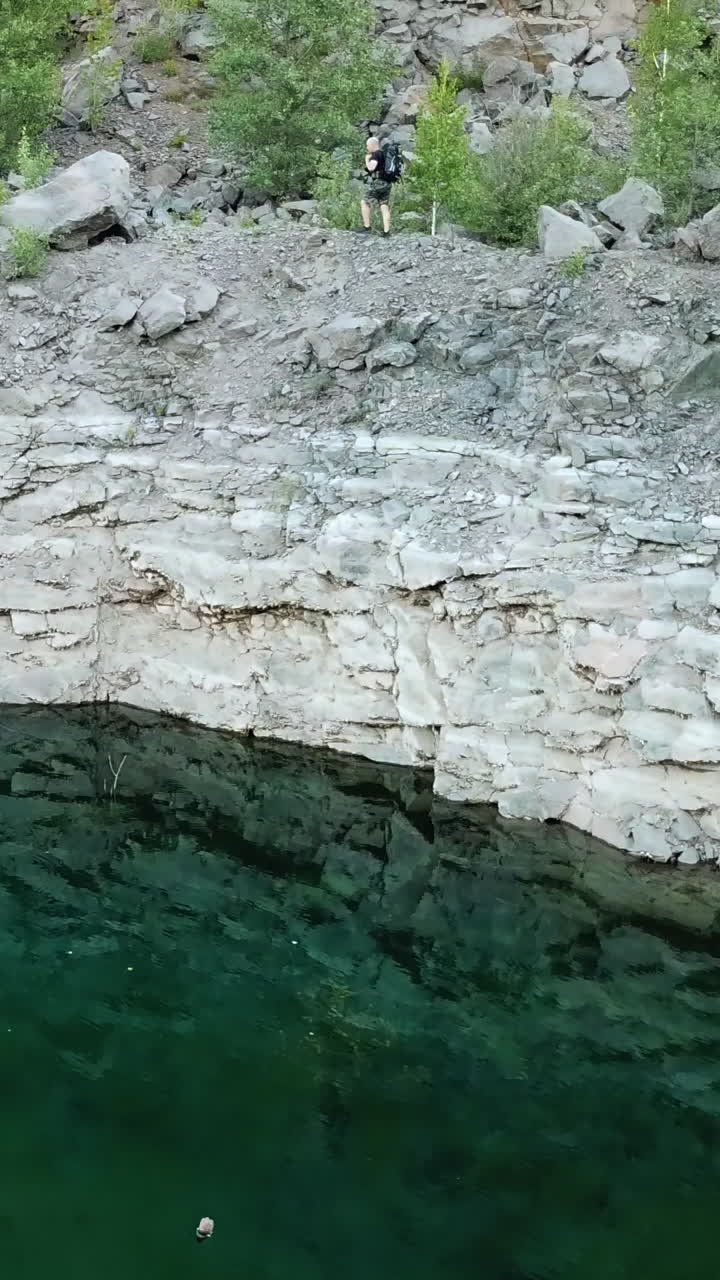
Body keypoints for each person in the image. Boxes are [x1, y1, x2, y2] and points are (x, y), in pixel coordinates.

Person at [360, 136, 392, 237]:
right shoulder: (384, 154)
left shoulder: (376, 154)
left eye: (367, 145)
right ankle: (387, 232)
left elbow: (371, 168)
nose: (367, 148)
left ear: (373, 145)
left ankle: (367, 227)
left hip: (378, 183)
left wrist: (366, 160)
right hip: (387, 183)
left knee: (365, 202)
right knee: (384, 205)